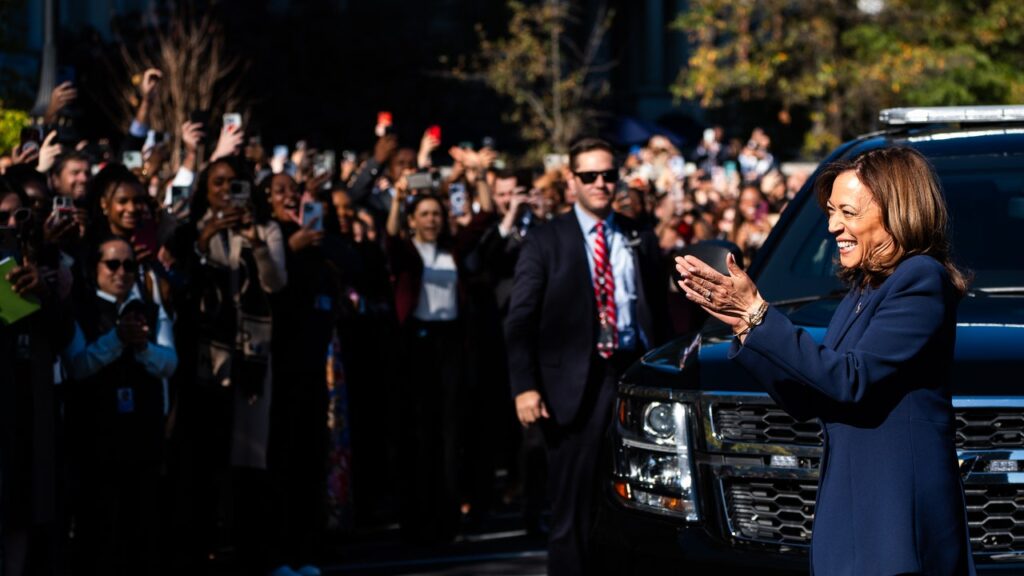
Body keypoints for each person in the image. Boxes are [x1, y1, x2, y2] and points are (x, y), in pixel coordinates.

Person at [675, 146, 974, 576]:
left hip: (894, 523)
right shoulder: (864, 289)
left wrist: (760, 312)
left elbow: (850, 380)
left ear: (896, 211)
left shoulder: (920, 278)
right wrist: (746, 326)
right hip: (854, 513)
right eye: (831, 212)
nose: (833, 226)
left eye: (848, 212)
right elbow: (810, 394)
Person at [506, 137, 668, 576]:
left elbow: (660, 310)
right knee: (571, 508)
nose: (601, 184)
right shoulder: (546, 240)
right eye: (590, 176)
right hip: (571, 387)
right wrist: (525, 386)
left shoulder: (638, 235)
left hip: (632, 377)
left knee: (638, 503)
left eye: (609, 175)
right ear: (571, 180)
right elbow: (519, 321)